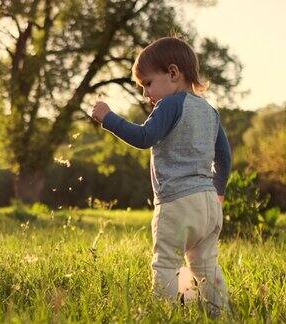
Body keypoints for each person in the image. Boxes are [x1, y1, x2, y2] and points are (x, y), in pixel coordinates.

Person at [90, 37, 231, 316]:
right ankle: (221, 315)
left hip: (177, 203)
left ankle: (163, 315)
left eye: (148, 84)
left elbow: (144, 137)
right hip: (209, 204)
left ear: (173, 73)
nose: (145, 94)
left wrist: (109, 118)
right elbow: (224, 157)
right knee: (206, 265)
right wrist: (219, 192)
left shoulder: (170, 104)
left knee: (166, 263)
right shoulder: (210, 111)